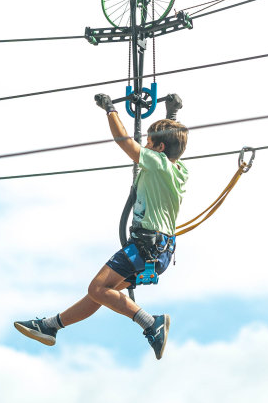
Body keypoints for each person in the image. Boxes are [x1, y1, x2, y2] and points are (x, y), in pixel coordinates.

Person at [14, 93, 188, 360]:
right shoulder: (179, 170)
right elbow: (172, 142)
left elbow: (125, 143)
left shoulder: (156, 162)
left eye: (149, 142)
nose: (145, 145)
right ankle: (51, 327)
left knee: (97, 288)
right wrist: (172, 114)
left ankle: (150, 323)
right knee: (103, 294)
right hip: (159, 251)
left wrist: (111, 110)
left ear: (159, 149)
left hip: (145, 246)